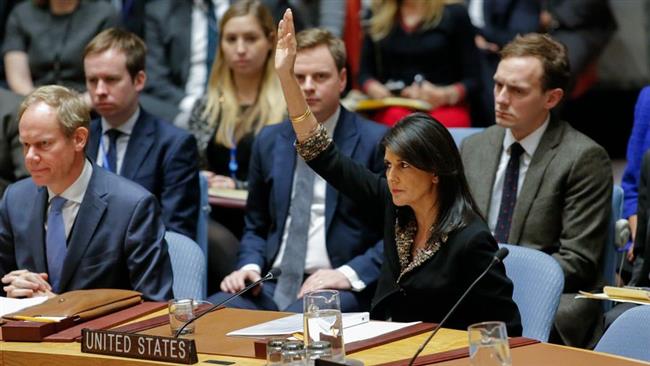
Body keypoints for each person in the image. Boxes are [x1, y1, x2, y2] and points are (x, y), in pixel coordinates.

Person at [272, 10, 522, 334]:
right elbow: (323, 154)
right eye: (389, 165)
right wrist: (286, 79)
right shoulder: (395, 207)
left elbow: (509, 331)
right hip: (383, 346)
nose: (392, 176)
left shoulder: (471, 241)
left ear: (436, 171)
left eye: (404, 166)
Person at [212, 27, 387, 313]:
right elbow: (255, 225)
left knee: (291, 327)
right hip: (270, 283)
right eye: (298, 77)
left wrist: (348, 274)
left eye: (320, 76)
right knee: (208, 318)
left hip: (339, 286)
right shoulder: (268, 140)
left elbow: (396, 232)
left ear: (342, 79)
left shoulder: (376, 141)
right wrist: (249, 265)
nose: (307, 86)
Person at [459, 33, 612, 347]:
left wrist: (494, 283)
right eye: (498, 84)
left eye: (517, 90)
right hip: (473, 287)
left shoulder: (583, 158)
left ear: (551, 98)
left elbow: (578, 260)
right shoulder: (474, 147)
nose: (501, 98)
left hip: (543, 295)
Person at [0, 85, 172, 301]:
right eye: (26, 145)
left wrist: (58, 306)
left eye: (43, 144)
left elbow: (155, 307)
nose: (30, 157)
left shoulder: (132, 207)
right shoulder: (15, 199)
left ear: (79, 139)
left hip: (96, 334)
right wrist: (12, 287)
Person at [186, 0, 286, 288]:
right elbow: (190, 167)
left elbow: (285, 180)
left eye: (250, 38)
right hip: (214, 216)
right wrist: (200, 177)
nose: (240, 49)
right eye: (231, 39)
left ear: (270, 41)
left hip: (265, 221)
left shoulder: (287, 106)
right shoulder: (206, 106)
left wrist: (239, 186)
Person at [83, 28, 200, 241]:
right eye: (92, 81)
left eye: (111, 79)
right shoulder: (79, 139)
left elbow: (176, 234)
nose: (99, 90)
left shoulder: (173, 145)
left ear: (139, 80)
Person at [358, 0, 481, 127]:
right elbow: (364, 74)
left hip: (443, 105)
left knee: (438, 131)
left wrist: (445, 95)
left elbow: (474, 79)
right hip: (394, 104)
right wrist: (373, 87)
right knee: (394, 124)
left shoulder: (454, 13)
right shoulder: (377, 14)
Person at [2, 0, 117, 95]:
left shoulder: (104, 14)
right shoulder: (21, 14)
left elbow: (109, 75)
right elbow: (18, 80)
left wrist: (76, 105)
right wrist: (40, 105)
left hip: (87, 101)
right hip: (33, 102)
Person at [143, 0, 229, 125]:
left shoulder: (250, 6)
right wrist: (195, 107)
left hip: (235, 100)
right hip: (184, 105)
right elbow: (155, 79)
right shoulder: (160, 11)